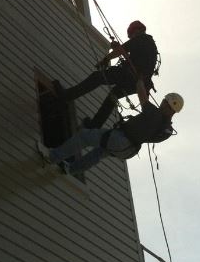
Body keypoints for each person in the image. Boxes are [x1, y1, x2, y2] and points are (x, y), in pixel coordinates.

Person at [37, 93, 184, 176]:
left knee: (85, 136)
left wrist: (140, 79)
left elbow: (142, 96)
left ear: (168, 105)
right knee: (98, 153)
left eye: (165, 102)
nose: (162, 103)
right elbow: (147, 134)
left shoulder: (155, 114)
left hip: (122, 140)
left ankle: (52, 157)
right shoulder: (167, 131)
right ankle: (70, 169)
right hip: (129, 150)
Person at [54, 20, 159, 128]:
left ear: (136, 31)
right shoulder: (149, 44)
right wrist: (118, 49)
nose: (131, 37)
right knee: (113, 95)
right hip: (137, 83)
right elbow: (132, 56)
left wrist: (106, 59)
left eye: (131, 35)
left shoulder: (141, 38)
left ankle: (67, 96)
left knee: (97, 77)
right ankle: (94, 125)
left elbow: (122, 49)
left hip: (129, 75)